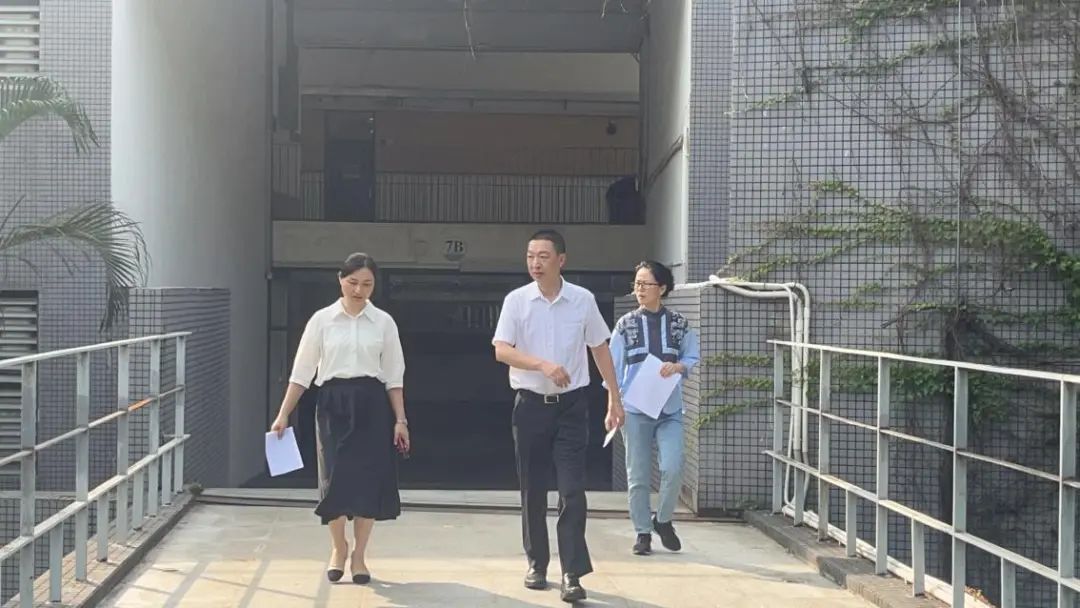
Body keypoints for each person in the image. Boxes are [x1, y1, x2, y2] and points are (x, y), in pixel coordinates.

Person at [492, 229, 625, 604]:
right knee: (532, 489)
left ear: (561, 260)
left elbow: (600, 348)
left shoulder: (582, 300)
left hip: (571, 408)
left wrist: (614, 398)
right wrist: (542, 364)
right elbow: (501, 350)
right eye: (530, 256)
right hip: (530, 406)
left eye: (543, 256)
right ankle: (537, 564)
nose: (535, 263)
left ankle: (572, 573)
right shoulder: (517, 301)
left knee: (572, 491)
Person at [270, 252, 409, 585]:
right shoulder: (322, 320)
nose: (359, 290)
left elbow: (394, 375)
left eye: (367, 284)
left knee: (368, 480)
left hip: (372, 403)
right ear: (340, 280)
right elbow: (302, 371)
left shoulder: (384, 322)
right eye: (353, 282)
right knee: (332, 477)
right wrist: (283, 413)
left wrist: (400, 419)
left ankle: (359, 555)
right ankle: (338, 547)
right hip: (332, 403)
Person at [609, 260, 700, 556]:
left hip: (669, 409)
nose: (639, 289)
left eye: (645, 284)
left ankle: (663, 519)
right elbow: (612, 368)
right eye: (636, 283)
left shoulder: (678, 323)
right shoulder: (625, 325)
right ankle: (642, 531)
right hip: (635, 409)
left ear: (661, 288)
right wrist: (613, 404)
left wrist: (679, 366)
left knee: (673, 466)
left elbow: (692, 355)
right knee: (637, 475)